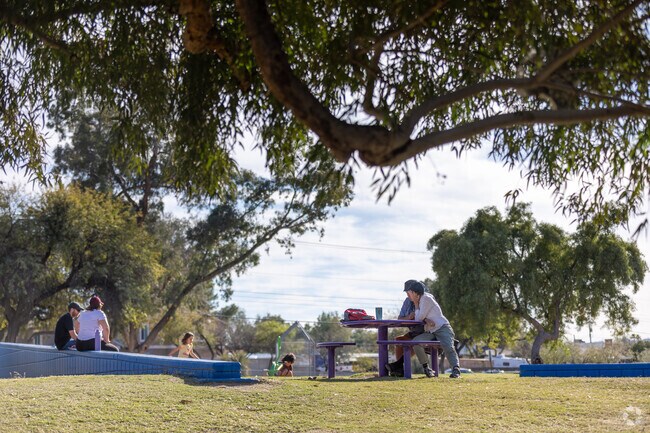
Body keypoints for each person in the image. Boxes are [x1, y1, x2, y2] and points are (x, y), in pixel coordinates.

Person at [404, 280, 462, 378]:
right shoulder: (420, 301)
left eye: (408, 292)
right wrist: (426, 318)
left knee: (448, 347)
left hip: (442, 328)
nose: (408, 295)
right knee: (415, 343)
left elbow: (419, 317)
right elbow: (421, 318)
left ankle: (456, 370)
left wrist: (417, 306)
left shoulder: (426, 299)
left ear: (414, 292)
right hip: (431, 330)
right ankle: (427, 368)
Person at [385, 295, 424, 377]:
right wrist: (408, 317)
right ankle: (399, 369)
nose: (408, 294)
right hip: (414, 332)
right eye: (407, 292)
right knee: (399, 340)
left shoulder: (425, 299)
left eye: (410, 291)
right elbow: (400, 318)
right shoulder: (407, 301)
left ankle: (397, 366)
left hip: (425, 332)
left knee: (413, 342)